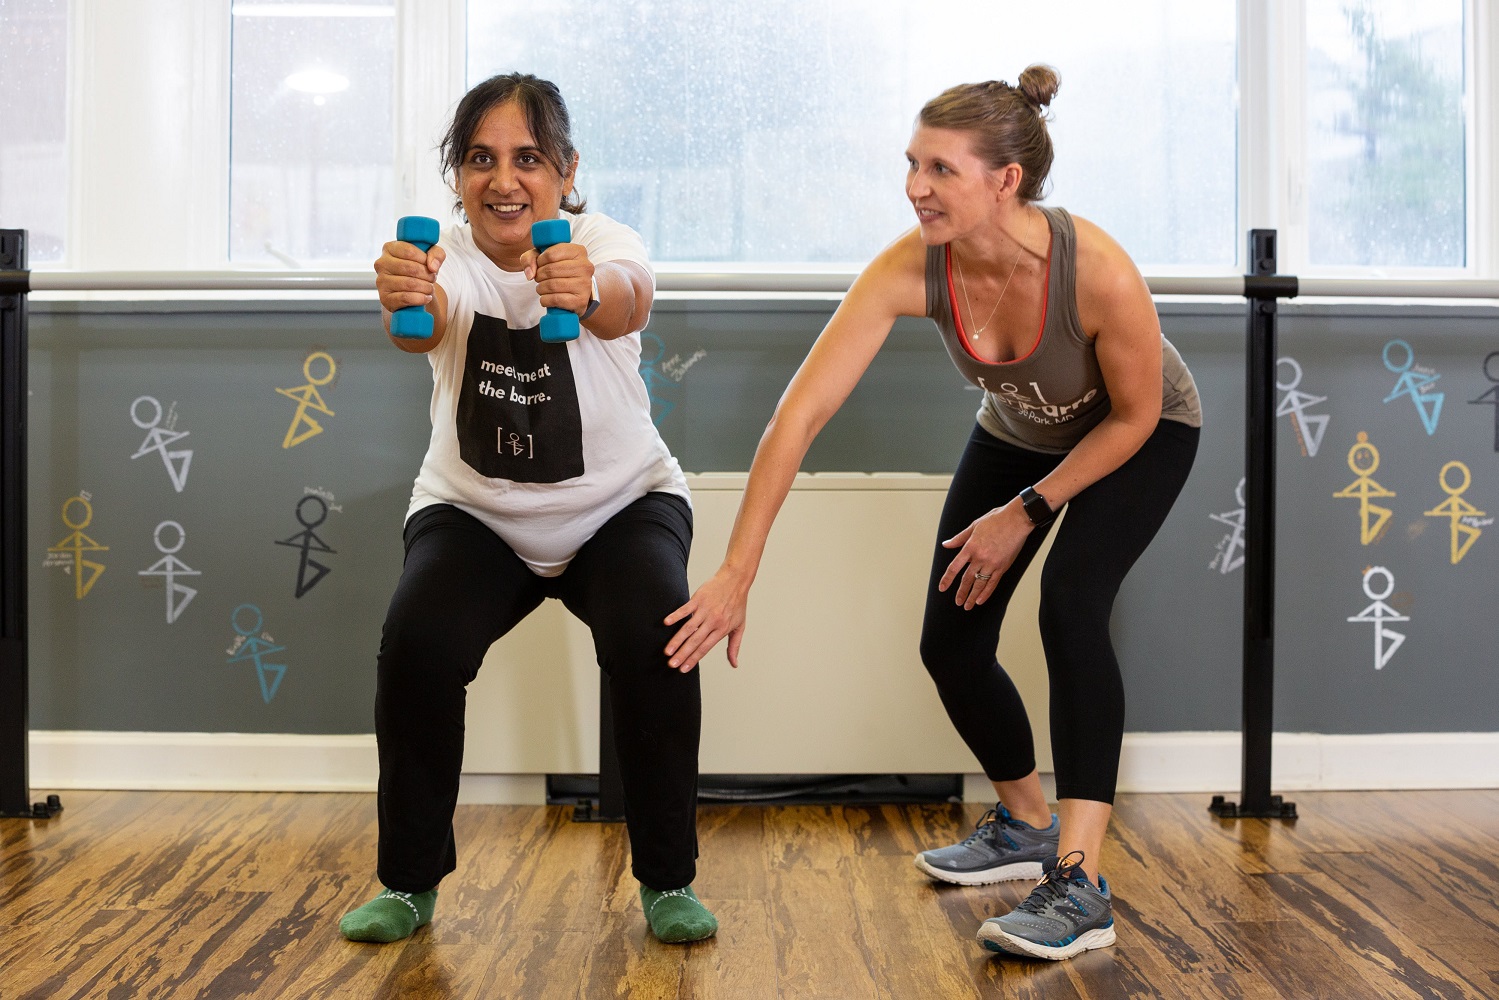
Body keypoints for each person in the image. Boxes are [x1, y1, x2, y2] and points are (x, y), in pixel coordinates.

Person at [662, 65, 1200, 962]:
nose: (915, 186)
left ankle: (1080, 883)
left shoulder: (1095, 271)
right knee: (949, 639)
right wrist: (735, 570)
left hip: (1135, 433)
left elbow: (1137, 415)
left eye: (941, 169)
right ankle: (1026, 820)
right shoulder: (915, 266)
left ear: (1005, 181)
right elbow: (799, 414)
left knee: (1069, 606)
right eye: (911, 163)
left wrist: (1027, 510)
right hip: (1019, 429)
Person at [339, 72, 716, 945]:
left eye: (527, 158)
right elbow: (426, 322)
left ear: (564, 169)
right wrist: (406, 292)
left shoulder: (599, 238)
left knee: (655, 644)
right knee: (418, 650)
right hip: (475, 513)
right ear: (457, 174)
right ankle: (407, 884)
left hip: (622, 506)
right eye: (480, 159)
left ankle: (666, 881)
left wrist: (582, 292)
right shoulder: (444, 257)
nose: (503, 179)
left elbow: (629, 300)